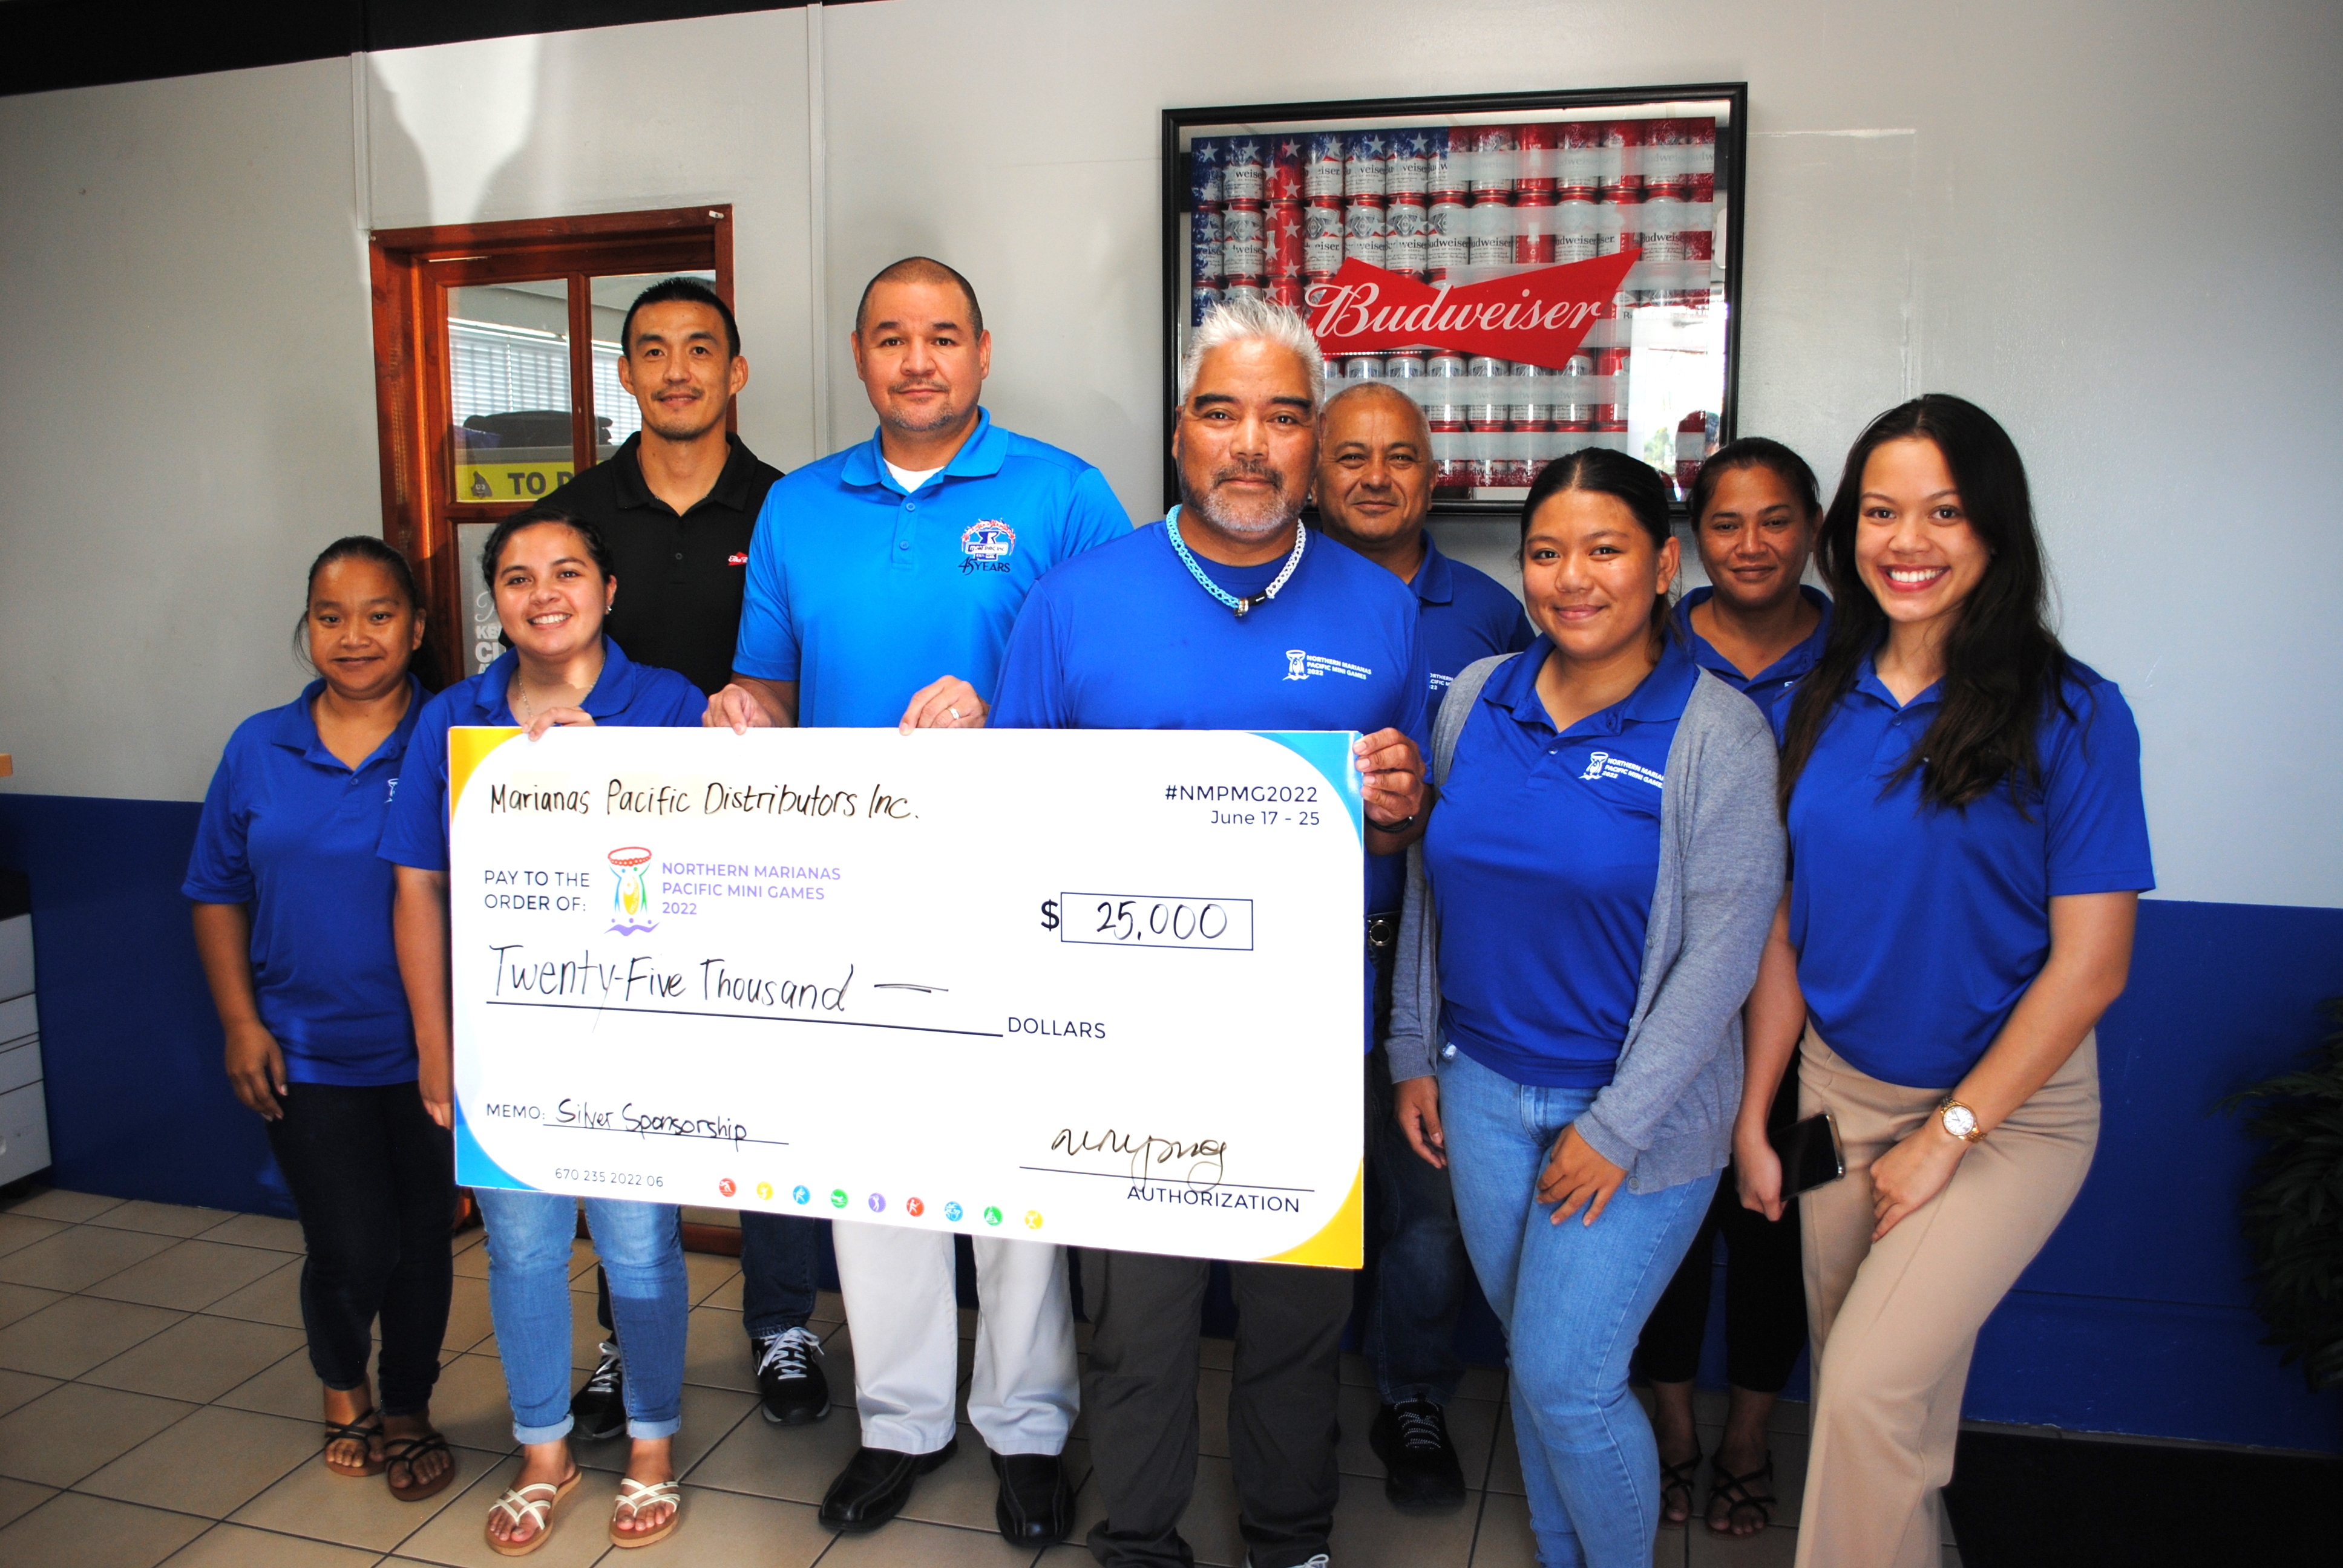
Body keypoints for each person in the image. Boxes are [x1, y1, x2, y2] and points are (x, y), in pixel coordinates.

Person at [991, 296, 1430, 1568]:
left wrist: (1396, 812)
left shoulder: (1375, 609)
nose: (1252, 445)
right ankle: (1141, 1533)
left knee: (1299, 1317)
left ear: (1313, 442)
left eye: (1283, 417)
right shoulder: (1075, 603)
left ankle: (1288, 1535)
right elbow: (1006, 824)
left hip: (1302, 1039)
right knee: (1140, 1314)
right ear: (1179, 433)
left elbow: (1393, 834)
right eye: (1221, 412)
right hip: (1125, 1043)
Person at [705, 257, 1130, 1544]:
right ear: (857, 355)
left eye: (942, 337)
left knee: (1014, 1178)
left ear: (984, 352)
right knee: (866, 1173)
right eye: (891, 338)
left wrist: (1001, 711)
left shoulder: (1065, 494)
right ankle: (898, 1420)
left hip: (1014, 891)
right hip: (850, 896)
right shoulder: (795, 506)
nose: (918, 360)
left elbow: (1120, 684)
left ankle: (1029, 1428)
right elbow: (771, 684)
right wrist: (743, 711)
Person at [1735, 396, 2151, 1568]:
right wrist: (1756, 1113)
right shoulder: (1827, 695)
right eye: (1879, 512)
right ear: (1848, 533)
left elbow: (2093, 967)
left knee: (1868, 1401)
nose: (1905, 541)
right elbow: (1784, 930)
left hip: (2005, 1121)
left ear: (1993, 533)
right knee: (1875, 1414)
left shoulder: (2073, 716)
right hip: (1833, 1101)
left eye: (1942, 512)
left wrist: (1953, 1132)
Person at [1386, 448, 1786, 1568]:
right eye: (1547, 552)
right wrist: (1415, 1048)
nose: (1573, 577)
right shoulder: (1478, 699)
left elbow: (1722, 957)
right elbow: (1431, 885)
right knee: (1539, 1361)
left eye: (1605, 549)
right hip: (1478, 1088)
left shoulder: (1718, 734)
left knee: (1568, 1382)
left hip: (1634, 1121)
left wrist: (1615, 1130)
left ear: (1665, 564)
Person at [380, 506, 706, 1554]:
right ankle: (543, 1451)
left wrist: (596, 769)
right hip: (510, 1037)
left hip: (643, 1035)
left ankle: (652, 1441)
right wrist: (440, 1045)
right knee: (519, 1247)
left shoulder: (667, 704)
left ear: (609, 591)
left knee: (638, 1246)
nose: (544, 592)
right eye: (517, 578)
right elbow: (418, 888)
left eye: (568, 572)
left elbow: (719, 866)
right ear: (497, 608)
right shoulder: (454, 720)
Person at [540, 276, 827, 1441]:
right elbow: (540, 664)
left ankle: (782, 1322)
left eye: (700, 350)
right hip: (622, 864)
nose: (676, 371)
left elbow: (810, 667)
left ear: (737, 370)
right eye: (651, 352)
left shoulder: (792, 508)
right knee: (630, 1107)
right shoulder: (575, 513)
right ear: (625, 374)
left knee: (773, 1100)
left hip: (766, 861)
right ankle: (629, 1341)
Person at [185, 536, 456, 1504]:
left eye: (379, 614)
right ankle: (345, 1389)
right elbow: (215, 891)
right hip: (305, 1050)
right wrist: (238, 1023)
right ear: (307, 630)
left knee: (426, 1236)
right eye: (330, 617)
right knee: (347, 1244)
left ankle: (412, 1399)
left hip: (433, 1051)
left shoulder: (451, 734)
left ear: (417, 627)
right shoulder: (259, 746)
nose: (353, 636)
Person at [1309, 379, 1532, 1512]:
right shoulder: (1276, 596)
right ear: (1313, 469)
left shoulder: (1493, 615)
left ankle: (1410, 1397)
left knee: (1428, 1204)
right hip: (1290, 951)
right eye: (1351, 455)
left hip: (1434, 957)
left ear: (1433, 472)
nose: (1375, 476)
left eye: (1400, 455)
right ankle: (1286, 1405)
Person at [1633, 437, 1829, 1537]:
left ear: (1811, 529)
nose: (1750, 545)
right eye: (1725, 523)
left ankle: (1750, 1436)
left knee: (1771, 1231)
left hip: (1812, 1003)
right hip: (1663, 993)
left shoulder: (1862, 654)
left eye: (1775, 521)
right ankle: (1673, 1430)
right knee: (1663, 1229)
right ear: (1688, 543)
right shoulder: (1648, 641)